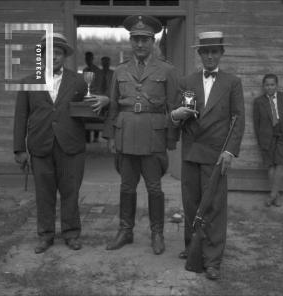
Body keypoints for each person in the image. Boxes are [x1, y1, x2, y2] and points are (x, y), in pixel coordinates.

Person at [13, 33, 108, 254]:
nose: (54, 56)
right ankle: (45, 235)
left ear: (64, 55)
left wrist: (101, 104)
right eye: (49, 52)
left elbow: (89, 107)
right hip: (40, 145)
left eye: (58, 52)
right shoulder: (29, 82)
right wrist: (20, 148)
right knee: (44, 194)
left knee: (70, 192)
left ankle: (71, 233)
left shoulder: (78, 81)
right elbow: (20, 116)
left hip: (71, 146)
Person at [103, 15, 180, 255]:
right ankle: (126, 231)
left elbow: (174, 107)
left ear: (153, 40)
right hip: (126, 135)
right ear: (130, 40)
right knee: (127, 187)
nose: (139, 44)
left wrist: (170, 138)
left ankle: (157, 233)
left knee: (154, 189)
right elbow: (114, 106)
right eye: (135, 39)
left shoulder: (167, 70)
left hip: (153, 136)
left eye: (145, 39)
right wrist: (111, 137)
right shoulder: (121, 70)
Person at [171, 31, 245, 280]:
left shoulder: (232, 82)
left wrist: (229, 151)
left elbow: (238, 119)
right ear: (199, 54)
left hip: (217, 155)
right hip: (191, 152)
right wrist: (176, 115)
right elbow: (177, 116)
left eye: (215, 51)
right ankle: (192, 246)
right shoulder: (186, 81)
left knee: (213, 207)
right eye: (206, 52)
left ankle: (212, 259)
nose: (210, 56)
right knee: (191, 203)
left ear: (221, 54)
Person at [253, 74, 283, 207]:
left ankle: (272, 195)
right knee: (271, 166)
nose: (270, 87)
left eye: (272, 84)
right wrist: (260, 140)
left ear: (277, 85)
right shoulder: (258, 102)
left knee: (281, 164)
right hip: (267, 137)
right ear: (263, 86)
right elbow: (257, 123)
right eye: (267, 85)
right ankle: (276, 195)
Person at [83, 51, 103, 143]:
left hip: (95, 95)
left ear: (92, 58)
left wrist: (96, 94)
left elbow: (99, 84)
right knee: (86, 115)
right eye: (86, 58)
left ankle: (96, 137)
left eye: (89, 58)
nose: (87, 60)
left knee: (96, 114)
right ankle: (87, 138)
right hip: (87, 96)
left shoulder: (97, 71)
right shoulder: (84, 70)